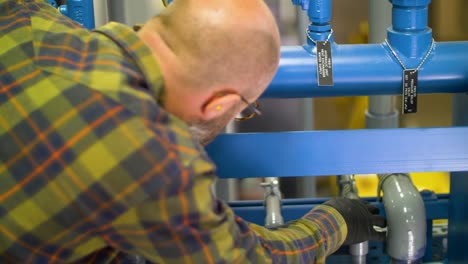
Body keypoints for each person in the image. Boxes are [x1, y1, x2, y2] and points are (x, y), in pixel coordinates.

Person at [0, 0, 386, 263]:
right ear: (219, 104)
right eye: (245, 109)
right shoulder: (154, 161)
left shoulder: (27, 16)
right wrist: (337, 221)